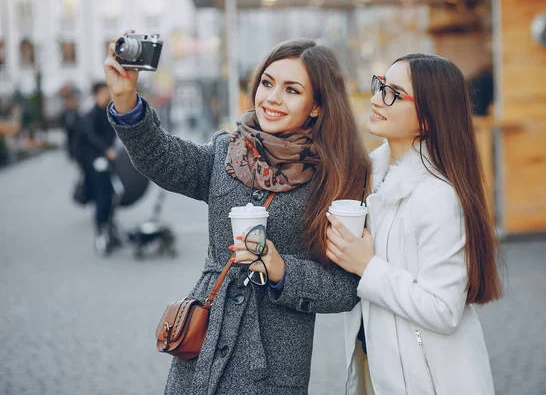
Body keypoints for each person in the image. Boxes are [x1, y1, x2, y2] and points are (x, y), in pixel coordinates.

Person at [103, 38, 371, 394]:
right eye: (267, 82)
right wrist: (126, 101)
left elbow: (344, 288)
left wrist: (282, 271)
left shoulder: (337, 178)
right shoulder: (227, 152)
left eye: (292, 90)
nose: (272, 98)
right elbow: (163, 158)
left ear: (317, 106)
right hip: (203, 346)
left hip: (274, 364)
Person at [326, 54, 504, 395]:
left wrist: (367, 266)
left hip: (433, 380)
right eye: (381, 85)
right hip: (380, 370)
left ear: (427, 118)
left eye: (393, 93)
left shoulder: (437, 196)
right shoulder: (371, 182)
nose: (377, 99)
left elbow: (444, 310)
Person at [79, 82, 118, 249]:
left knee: (112, 197)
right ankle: (101, 233)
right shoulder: (91, 115)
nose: (106, 95)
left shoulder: (108, 113)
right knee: (101, 198)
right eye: (103, 92)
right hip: (95, 163)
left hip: (108, 163)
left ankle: (111, 230)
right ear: (96, 94)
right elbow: (90, 136)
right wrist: (105, 150)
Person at [60, 94, 81, 160]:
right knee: (69, 144)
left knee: (75, 143)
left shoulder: (76, 112)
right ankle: (71, 155)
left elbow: (79, 121)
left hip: (76, 132)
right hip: (68, 131)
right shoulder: (65, 113)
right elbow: (62, 120)